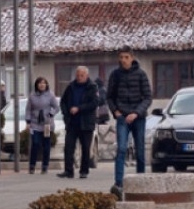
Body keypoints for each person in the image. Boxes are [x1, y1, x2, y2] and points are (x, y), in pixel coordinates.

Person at [106, 47, 152, 198]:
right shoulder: (115, 75)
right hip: (122, 117)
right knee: (121, 149)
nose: (123, 60)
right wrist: (115, 111)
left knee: (140, 151)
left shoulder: (141, 74)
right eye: (121, 57)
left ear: (132, 58)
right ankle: (118, 184)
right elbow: (109, 97)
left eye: (126, 57)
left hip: (138, 117)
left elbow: (147, 98)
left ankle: (140, 182)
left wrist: (136, 113)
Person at [59, 65, 99, 180]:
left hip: (86, 123)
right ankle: (68, 170)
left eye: (82, 75)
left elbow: (94, 103)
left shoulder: (92, 87)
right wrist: (66, 113)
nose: (79, 77)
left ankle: (84, 171)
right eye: (78, 75)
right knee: (68, 147)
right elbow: (63, 101)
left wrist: (79, 108)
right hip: (72, 122)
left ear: (87, 75)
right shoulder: (70, 87)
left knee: (85, 148)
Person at [26, 76, 59, 174]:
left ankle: (45, 166)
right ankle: (32, 166)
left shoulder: (50, 95)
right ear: (37, 85)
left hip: (47, 124)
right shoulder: (32, 96)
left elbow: (56, 107)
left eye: (44, 83)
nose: (42, 85)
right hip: (35, 123)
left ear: (46, 85)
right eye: (40, 83)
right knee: (35, 143)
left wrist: (51, 114)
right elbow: (28, 109)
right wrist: (28, 122)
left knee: (46, 145)